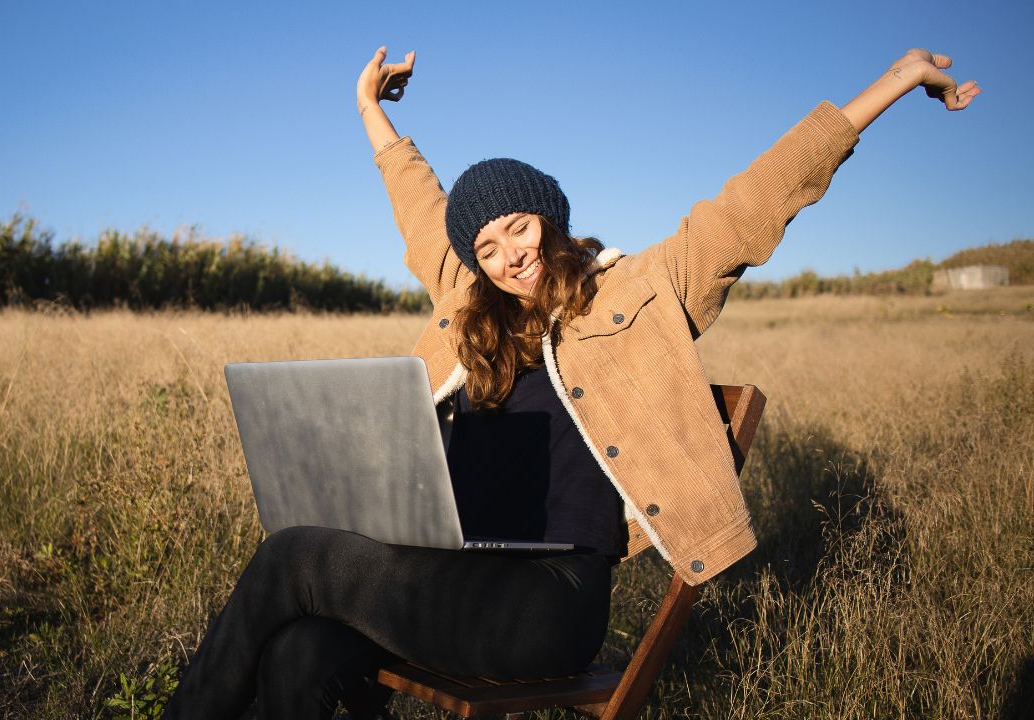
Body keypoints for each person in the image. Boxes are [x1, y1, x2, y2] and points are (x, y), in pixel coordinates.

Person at [162, 47, 979, 720]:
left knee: (295, 557)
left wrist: (898, 81)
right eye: (487, 245)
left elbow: (753, 204)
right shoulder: (471, 311)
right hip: (459, 575)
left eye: (519, 226)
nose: (510, 253)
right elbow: (421, 209)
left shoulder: (641, 292)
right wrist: (372, 109)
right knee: (301, 652)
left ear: (548, 216)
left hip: (547, 604)